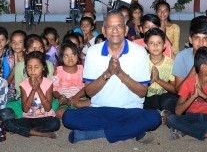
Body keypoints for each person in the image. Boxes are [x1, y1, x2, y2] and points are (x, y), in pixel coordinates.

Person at [62, 11, 161, 143]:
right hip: (100, 110)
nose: (115, 30)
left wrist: (120, 73)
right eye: (110, 27)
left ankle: (95, 134)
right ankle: (131, 130)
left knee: (154, 118)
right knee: (68, 117)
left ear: (126, 30)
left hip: (130, 111)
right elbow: (89, 92)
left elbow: (142, 92)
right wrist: (108, 73)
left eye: (119, 26)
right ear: (104, 30)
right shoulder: (93, 52)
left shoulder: (139, 52)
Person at [167, 47, 207, 142]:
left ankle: (186, 130)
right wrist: (193, 96)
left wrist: (205, 96)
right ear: (203, 67)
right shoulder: (188, 83)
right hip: (191, 117)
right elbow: (178, 112)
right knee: (171, 119)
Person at [6, 51, 61, 138]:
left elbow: (48, 108)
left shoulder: (48, 83)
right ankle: (38, 133)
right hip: (28, 118)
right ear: (26, 68)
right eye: (29, 67)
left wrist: (38, 90)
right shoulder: (23, 84)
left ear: (43, 68)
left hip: (45, 117)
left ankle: (28, 131)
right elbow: (25, 109)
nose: (32, 70)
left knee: (55, 123)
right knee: (8, 124)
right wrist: (32, 91)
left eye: (36, 67)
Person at [171, 17, 207, 93]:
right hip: (188, 96)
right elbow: (179, 90)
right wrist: (196, 66)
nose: (201, 43)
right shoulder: (181, 56)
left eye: (205, 39)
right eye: (197, 38)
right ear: (190, 40)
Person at [143, 28, 177, 118]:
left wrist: (158, 80)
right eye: (151, 43)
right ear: (146, 46)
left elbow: (175, 89)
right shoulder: (142, 62)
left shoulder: (171, 63)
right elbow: (138, 89)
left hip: (163, 97)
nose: (155, 46)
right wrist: (150, 80)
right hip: (146, 98)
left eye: (159, 43)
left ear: (164, 45)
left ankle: (163, 114)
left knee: (171, 99)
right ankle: (159, 114)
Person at [52, 42, 88, 118]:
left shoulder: (82, 69)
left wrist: (76, 97)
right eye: (66, 55)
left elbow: (86, 88)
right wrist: (59, 96)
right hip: (64, 100)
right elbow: (54, 89)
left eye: (73, 55)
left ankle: (75, 113)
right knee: (59, 113)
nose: (70, 58)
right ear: (61, 57)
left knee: (89, 106)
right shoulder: (58, 71)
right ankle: (72, 113)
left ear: (78, 56)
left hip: (79, 99)